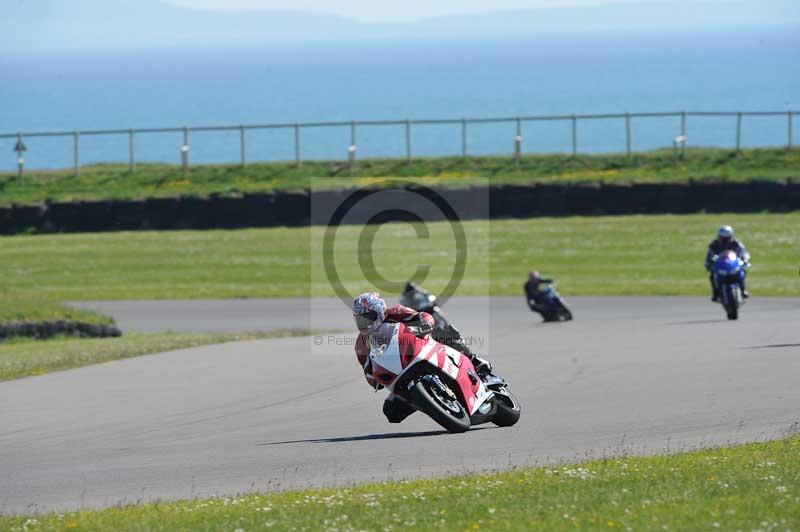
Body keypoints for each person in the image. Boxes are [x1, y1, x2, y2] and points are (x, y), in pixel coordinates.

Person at [352, 291, 492, 424]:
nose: (365, 323)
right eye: (360, 319)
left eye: (368, 317)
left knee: (442, 332)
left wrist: (422, 326)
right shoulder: (361, 344)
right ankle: (430, 402)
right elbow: (368, 373)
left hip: (420, 348)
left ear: (379, 311)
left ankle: (474, 360)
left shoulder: (396, 312)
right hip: (398, 373)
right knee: (391, 412)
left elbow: (424, 316)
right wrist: (373, 376)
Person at [705, 225, 750, 301]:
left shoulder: (736, 244)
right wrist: (708, 263)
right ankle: (716, 293)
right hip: (720, 266)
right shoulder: (714, 245)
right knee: (712, 276)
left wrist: (745, 259)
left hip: (733, 265)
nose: (725, 240)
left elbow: (743, 253)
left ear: (731, 236)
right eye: (723, 238)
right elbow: (709, 255)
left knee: (742, 272)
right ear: (719, 237)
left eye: (727, 238)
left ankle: (743, 289)